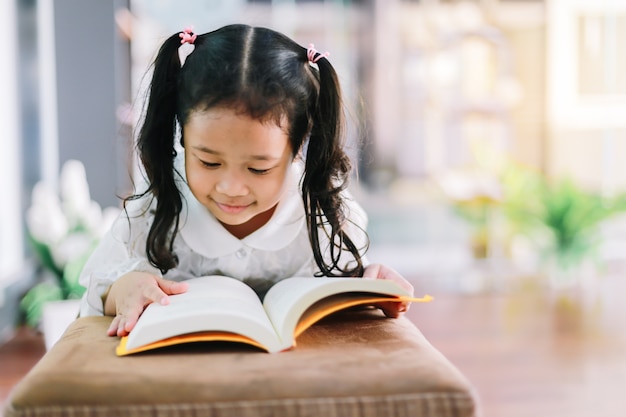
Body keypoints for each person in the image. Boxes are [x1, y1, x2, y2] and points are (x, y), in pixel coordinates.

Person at [78, 24, 414, 337]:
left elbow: (349, 281)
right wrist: (124, 290)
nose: (230, 188)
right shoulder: (154, 210)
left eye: (258, 169)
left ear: (298, 149)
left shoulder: (325, 216)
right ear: (182, 137)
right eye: (208, 162)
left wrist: (371, 284)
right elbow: (99, 288)